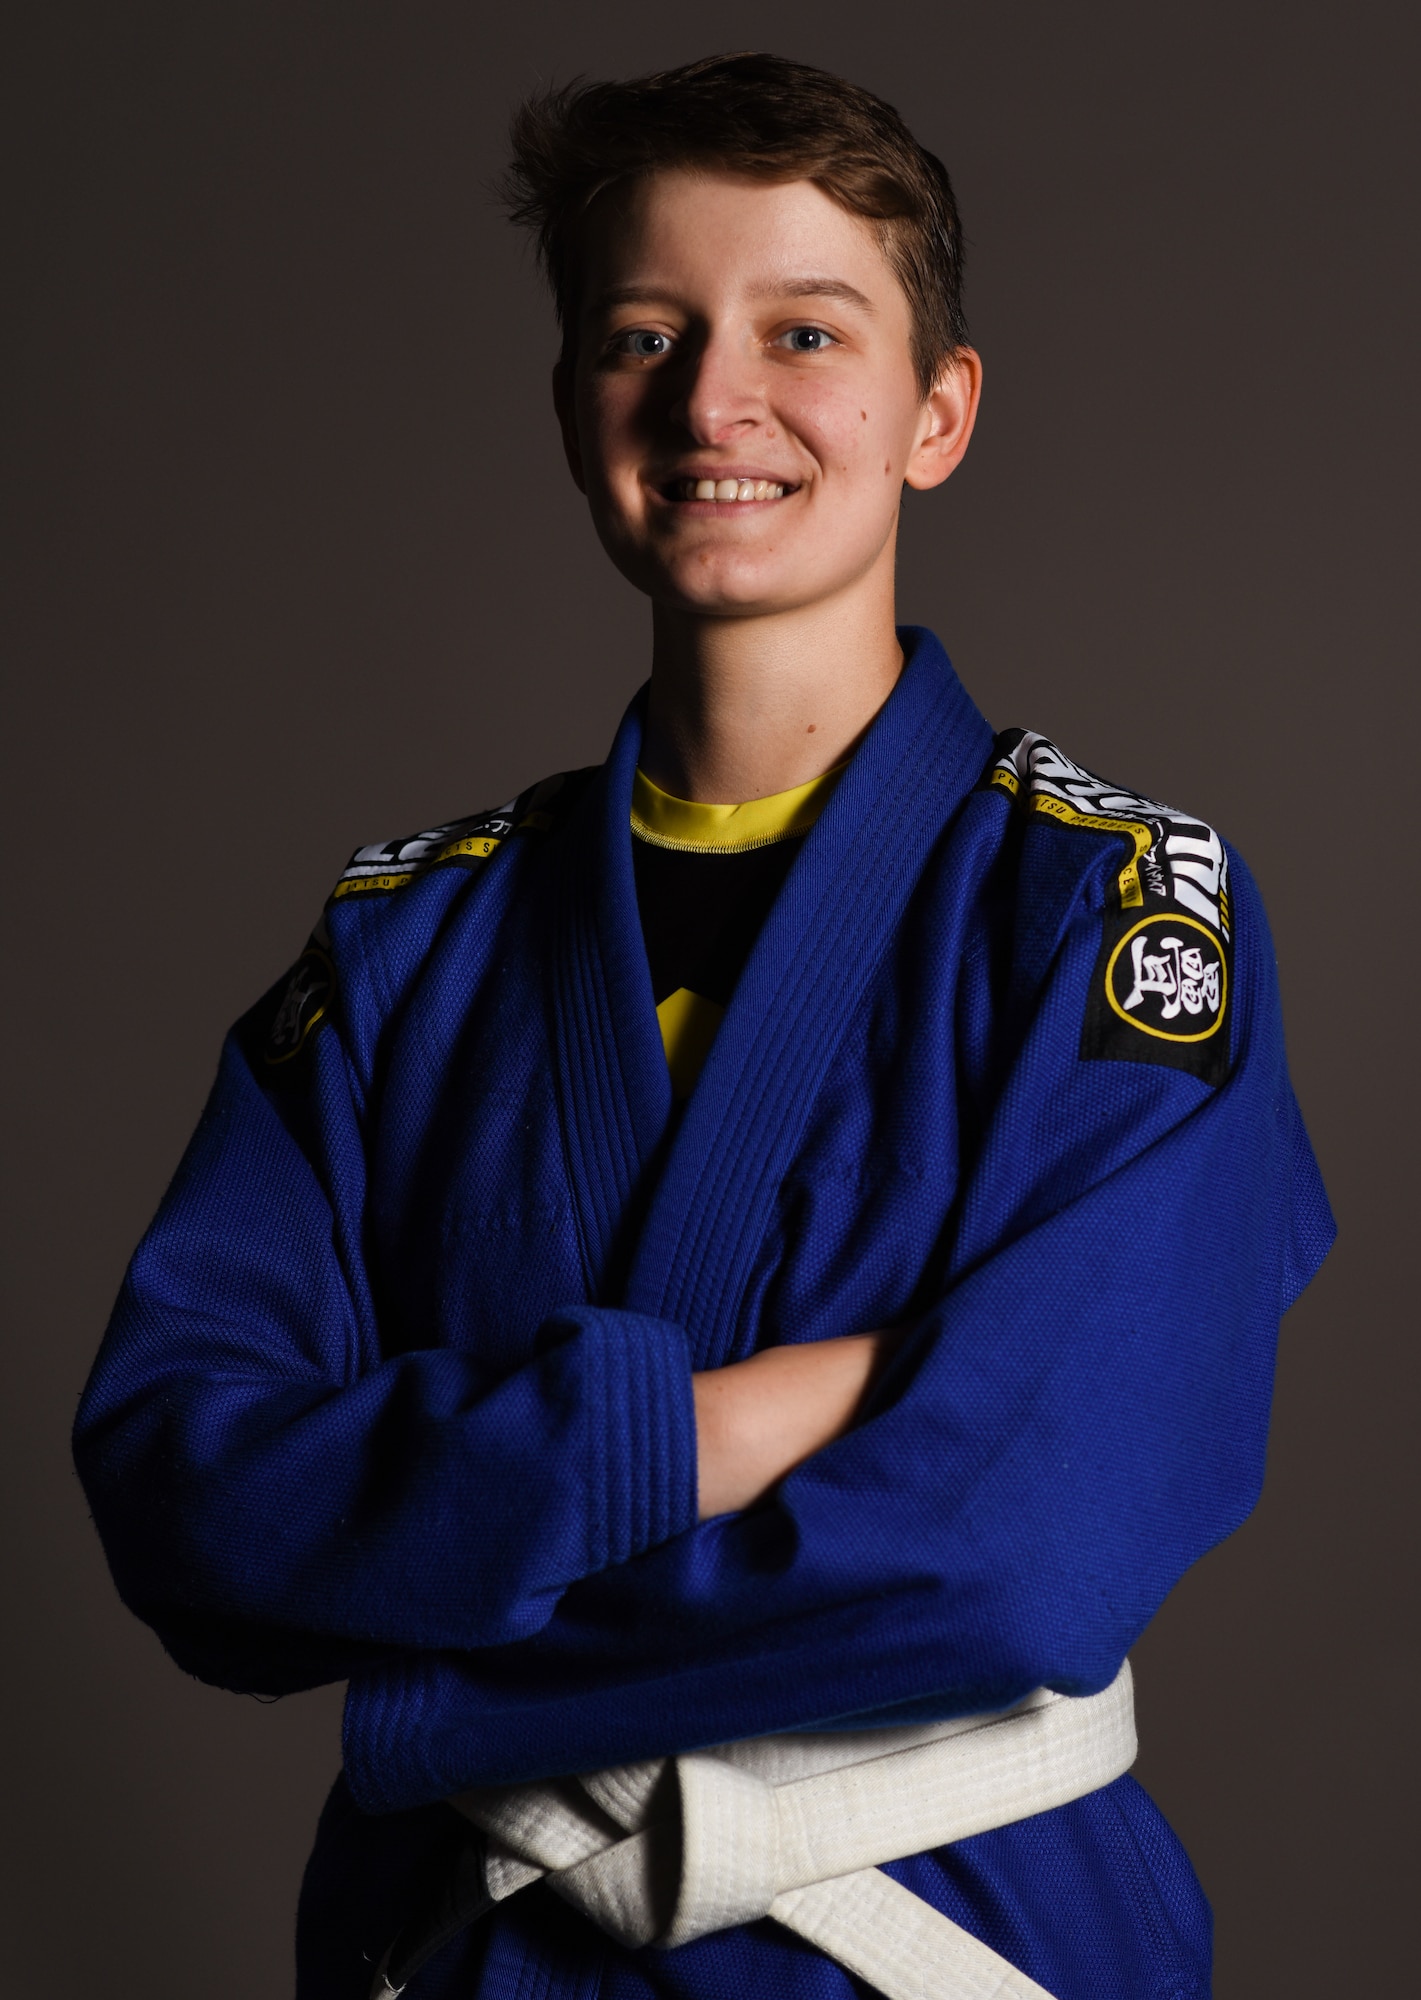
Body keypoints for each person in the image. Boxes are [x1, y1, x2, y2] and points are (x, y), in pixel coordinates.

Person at [74, 51, 1334, 2000]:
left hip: (944, 1950)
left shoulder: (1112, 912)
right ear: (577, 407)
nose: (712, 397)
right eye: (642, 332)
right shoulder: (412, 941)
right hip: (473, 1958)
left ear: (938, 412)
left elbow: (1034, 1540)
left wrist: (433, 1646)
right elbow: (185, 1490)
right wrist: (712, 1423)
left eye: (804, 329)